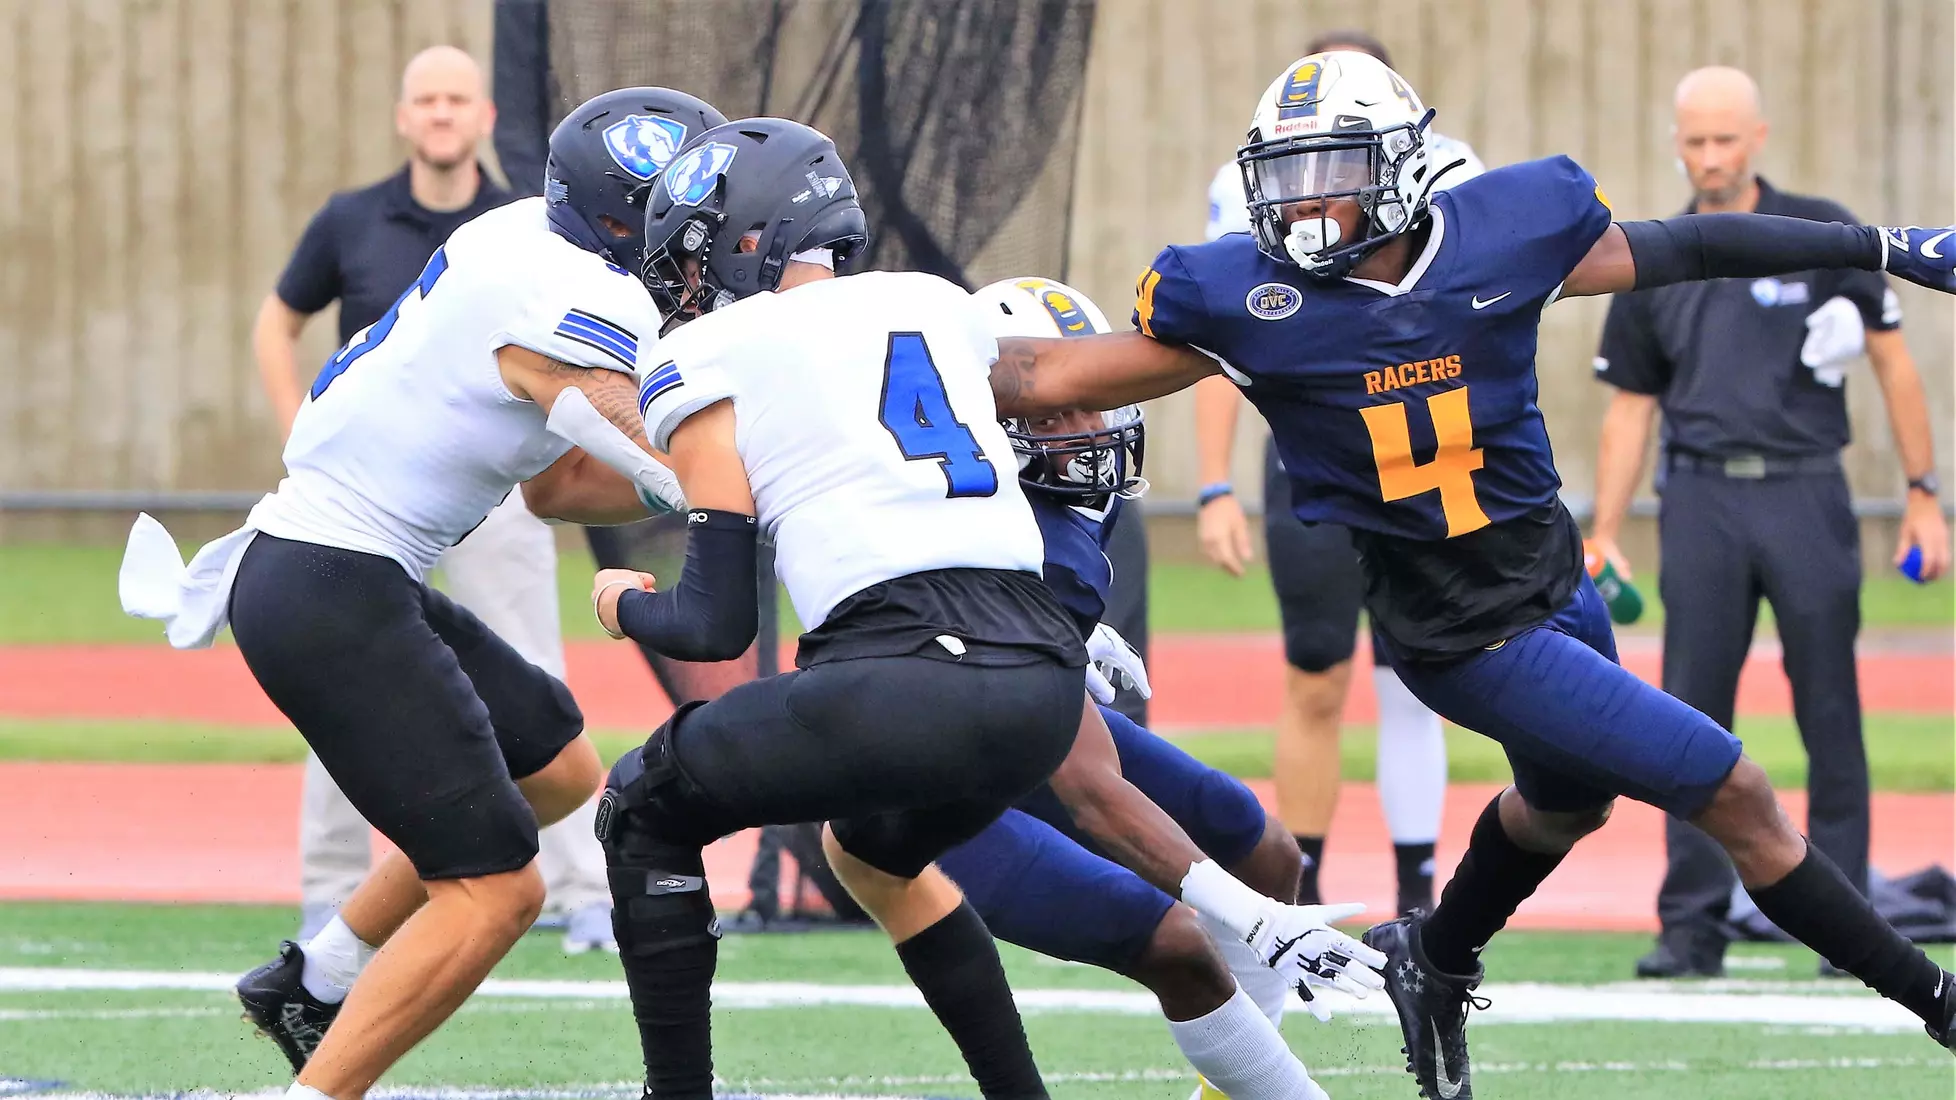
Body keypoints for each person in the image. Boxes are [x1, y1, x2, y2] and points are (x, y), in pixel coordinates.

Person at [981, 50, 1956, 1100]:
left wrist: (1878, 245)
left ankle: (1435, 956)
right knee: (1735, 788)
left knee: (1565, 807)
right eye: (1287, 172)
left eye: (1330, 171)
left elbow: (1692, 245)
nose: (1301, 201)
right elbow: (1043, 374)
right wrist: (875, 348)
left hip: (1553, 581)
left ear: (1399, 167)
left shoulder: (1503, 232)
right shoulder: (1246, 302)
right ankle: (1940, 1005)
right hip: (1461, 636)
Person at [530, 117, 1383, 1100]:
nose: (683, 280)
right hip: (1035, 686)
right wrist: (1266, 326)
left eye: (688, 252)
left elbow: (715, 624)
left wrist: (624, 603)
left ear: (746, 235)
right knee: (876, 847)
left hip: (893, 679)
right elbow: (1048, 378)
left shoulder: (706, 352)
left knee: (641, 809)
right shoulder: (934, 305)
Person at [118, 87, 722, 1098]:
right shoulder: (582, 290)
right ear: (631, 220)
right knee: (494, 890)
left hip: (335, 567)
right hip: (329, 581)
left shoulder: (524, 231)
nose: (707, 248)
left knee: (562, 768)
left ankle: (316, 976)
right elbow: (659, 449)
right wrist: (784, 472)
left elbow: (559, 481)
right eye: (693, 218)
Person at [942, 277, 1373, 1100]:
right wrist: (1253, 920)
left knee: (1269, 853)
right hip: (924, 777)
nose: (1086, 427)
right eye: (1050, 412)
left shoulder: (1058, 508)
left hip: (1009, 714)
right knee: (1179, 938)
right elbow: (1089, 791)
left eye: (1093, 397)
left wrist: (1062, 639)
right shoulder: (983, 517)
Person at [1589, 66, 1951, 979]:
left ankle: (1851, 928)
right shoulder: (1652, 254)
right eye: (1694, 140)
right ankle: (1691, 926)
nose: (1709, 157)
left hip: (1806, 492)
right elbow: (1630, 407)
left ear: (1757, 137)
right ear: (1677, 142)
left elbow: (1894, 364)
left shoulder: (1818, 232)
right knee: (1685, 717)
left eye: (1724, 139)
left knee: (1830, 707)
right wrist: (1605, 527)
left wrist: (1920, 492)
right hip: (1701, 500)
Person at [249, 44, 612, 952]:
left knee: (535, 676)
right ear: (405, 116)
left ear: (484, 116)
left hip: (494, 493)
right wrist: (299, 424)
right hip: (373, 503)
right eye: (428, 100)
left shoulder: (522, 225)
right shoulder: (352, 219)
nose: (443, 113)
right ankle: (331, 893)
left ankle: (580, 891)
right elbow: (276, 320)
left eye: (459, 99)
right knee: (355, 688)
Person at [1191, 28, 1477, 914]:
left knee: (1418, 679)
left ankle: (1419, 892)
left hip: (1416, 456)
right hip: (1309, 458)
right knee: (1314, 676)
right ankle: (1301, 888)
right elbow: (1219, 334)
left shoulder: (1455, 172)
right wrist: (1213, 485)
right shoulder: (1256, 181)